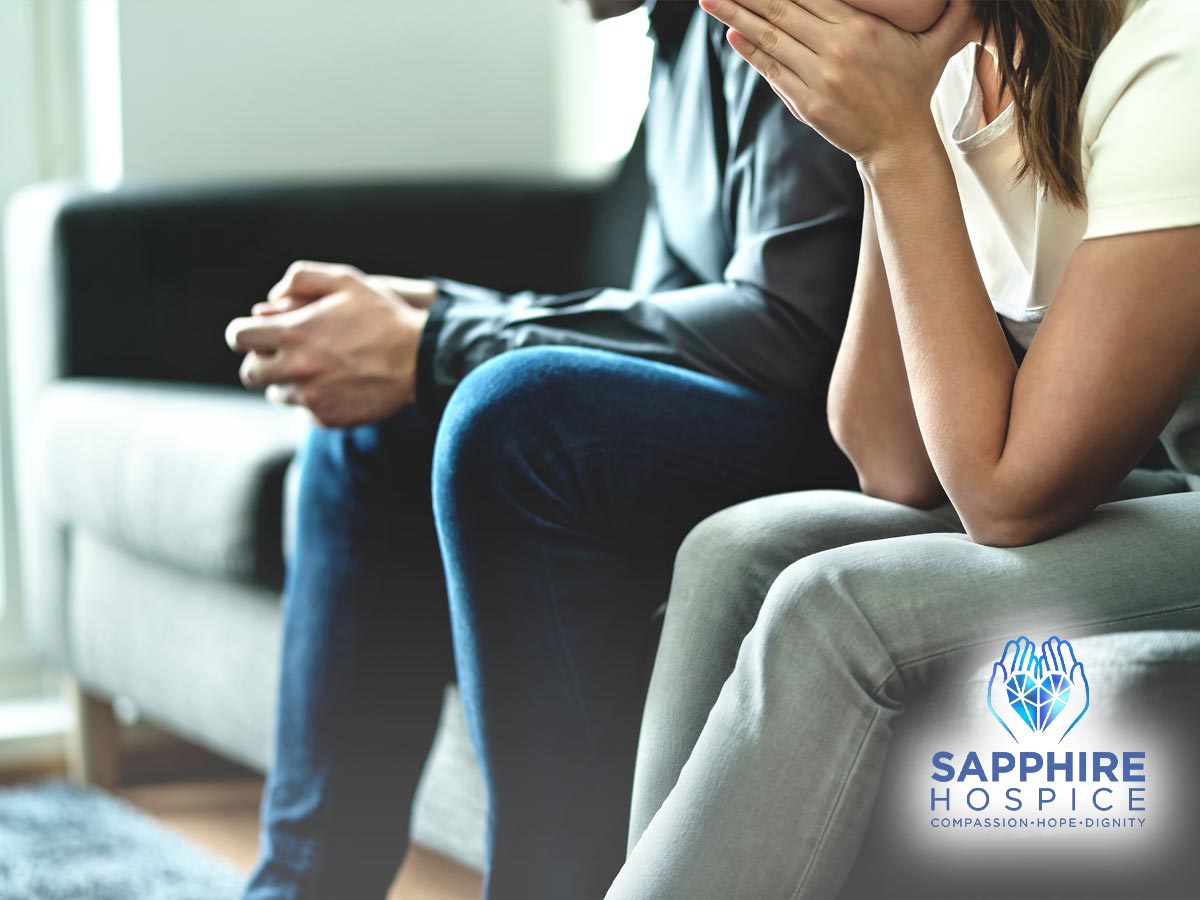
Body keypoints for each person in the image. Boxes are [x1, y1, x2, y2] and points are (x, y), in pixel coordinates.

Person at [226, 0, 863, 896]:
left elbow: (788, 327)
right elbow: (670, 310)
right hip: (762, 406)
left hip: (860, 437)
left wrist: (445, 339)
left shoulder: (777, 15)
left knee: (507, 411)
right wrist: (433, 321)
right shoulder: (676, 36)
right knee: (374, 416)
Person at [609, 0, 1200, 897]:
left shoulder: (1173, 63)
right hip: (1170, 481)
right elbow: (892, 460)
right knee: (734, 550)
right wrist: (891, 144)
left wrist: (900, 153)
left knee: (839, 606)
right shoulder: (964, 66)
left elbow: (1006, 498)